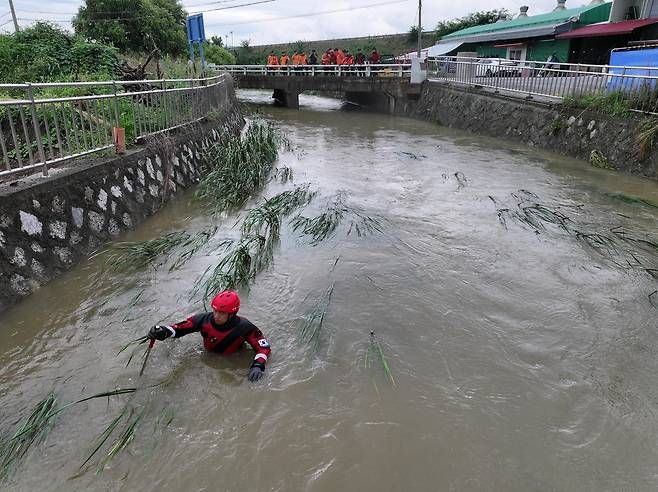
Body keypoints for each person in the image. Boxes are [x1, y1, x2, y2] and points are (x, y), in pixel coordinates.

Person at [147, 290, 271, 382]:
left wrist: (258, 365)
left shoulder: (245, 327)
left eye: (222, 313)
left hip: (233, 358)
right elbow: (179, 329)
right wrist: (163, 331)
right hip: (208, 353)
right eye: (215, 310)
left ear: (232, 314)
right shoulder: (202, 319)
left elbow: (263, 348)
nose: (216, 315)